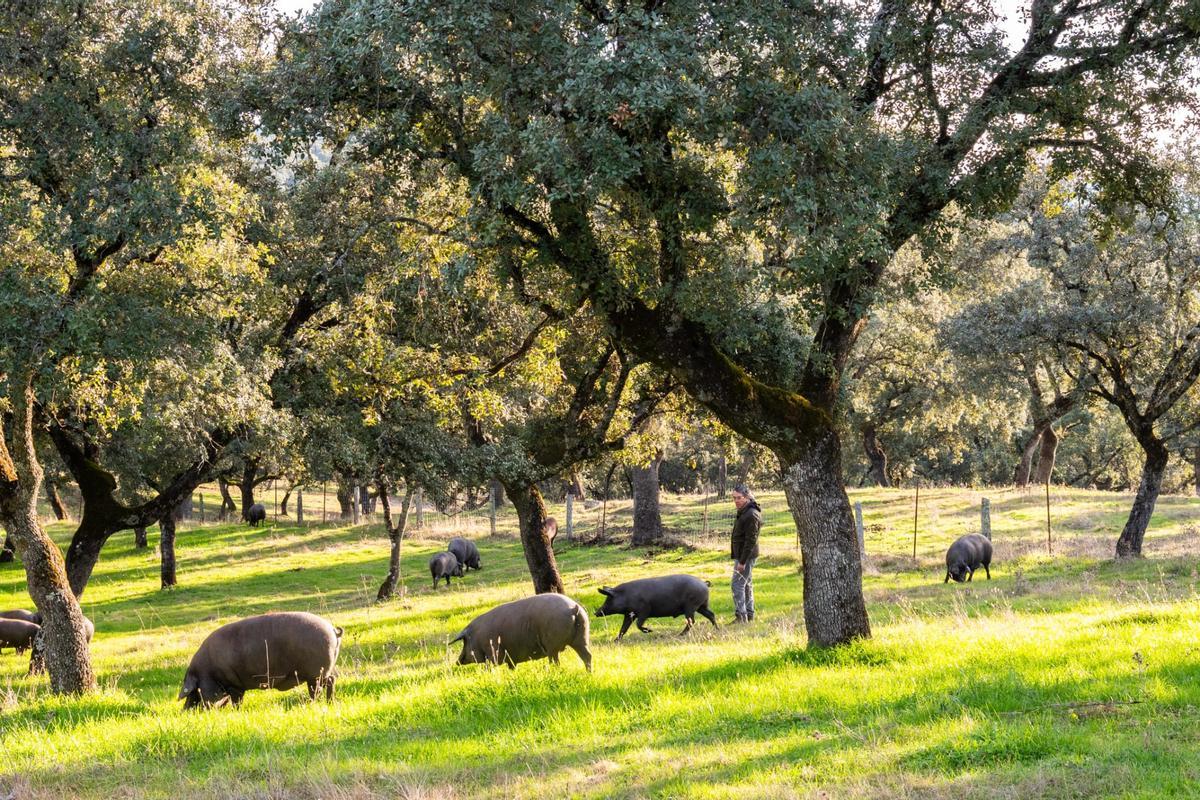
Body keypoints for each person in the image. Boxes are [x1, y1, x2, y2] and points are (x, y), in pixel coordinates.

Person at [729, 483, 761, 623]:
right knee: (746, 584)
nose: (736, 501)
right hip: (742, 555)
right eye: (734, 498)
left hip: (746, 556)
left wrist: (742, 561)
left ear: (747, 497)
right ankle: (749, 614)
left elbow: (750, 540)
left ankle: (741, 617)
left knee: (737, 584)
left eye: (739, 498)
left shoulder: (751, 514)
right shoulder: (744, 510)